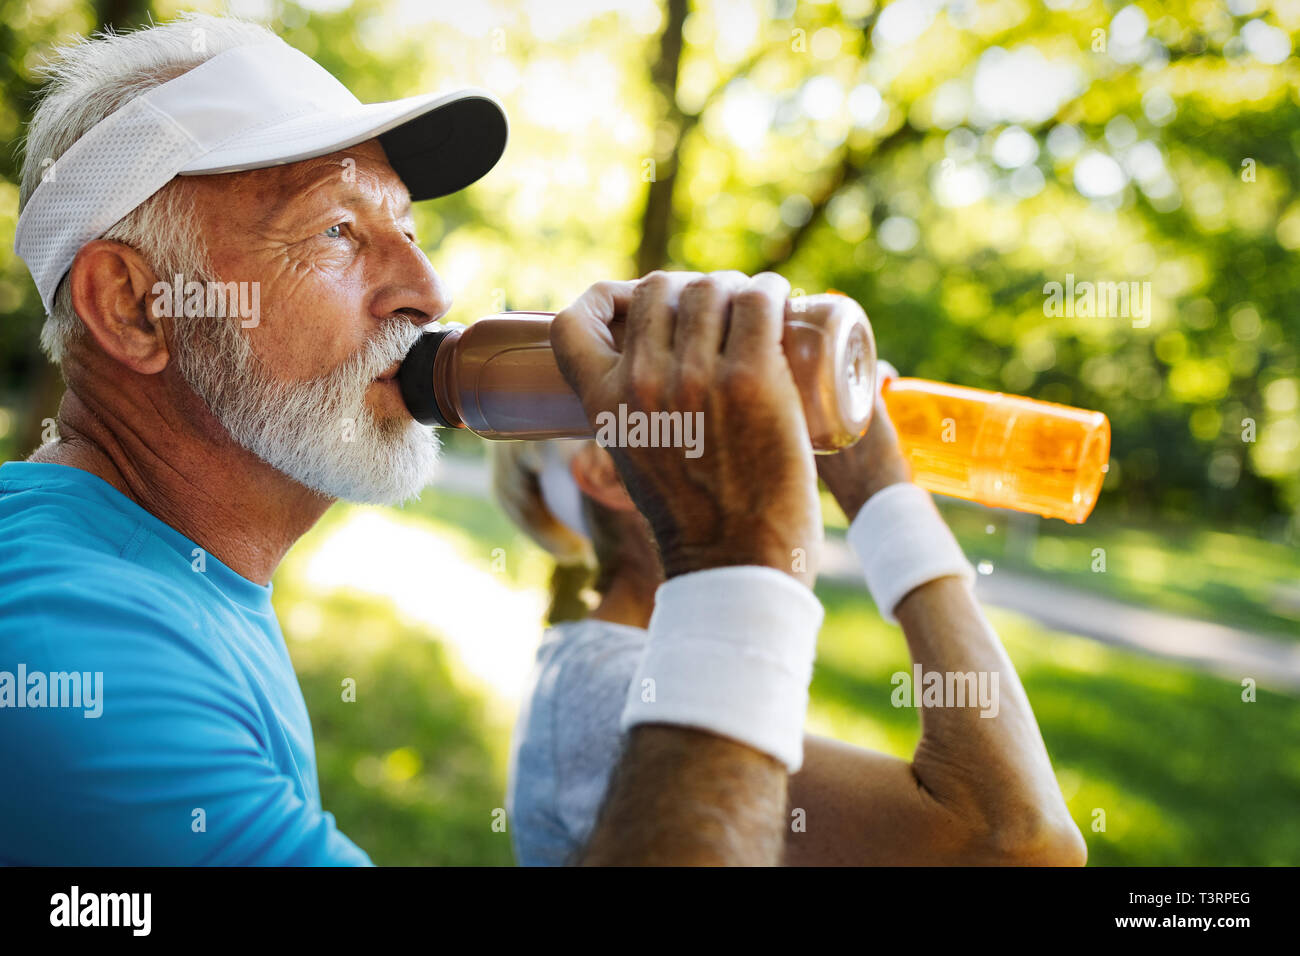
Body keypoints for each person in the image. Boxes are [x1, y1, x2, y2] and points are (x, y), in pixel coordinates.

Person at [0, 12, 878, 866]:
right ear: (132, 305)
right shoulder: (74, 658)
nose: (429, 288)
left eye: (407, 230)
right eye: (336, 231)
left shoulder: (154, 573)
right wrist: (740, 567)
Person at [493, 375, 1088, 866]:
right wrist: (885, 498)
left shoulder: (639, 663)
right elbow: (1018, 841)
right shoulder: (612, 692)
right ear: (606, 468)